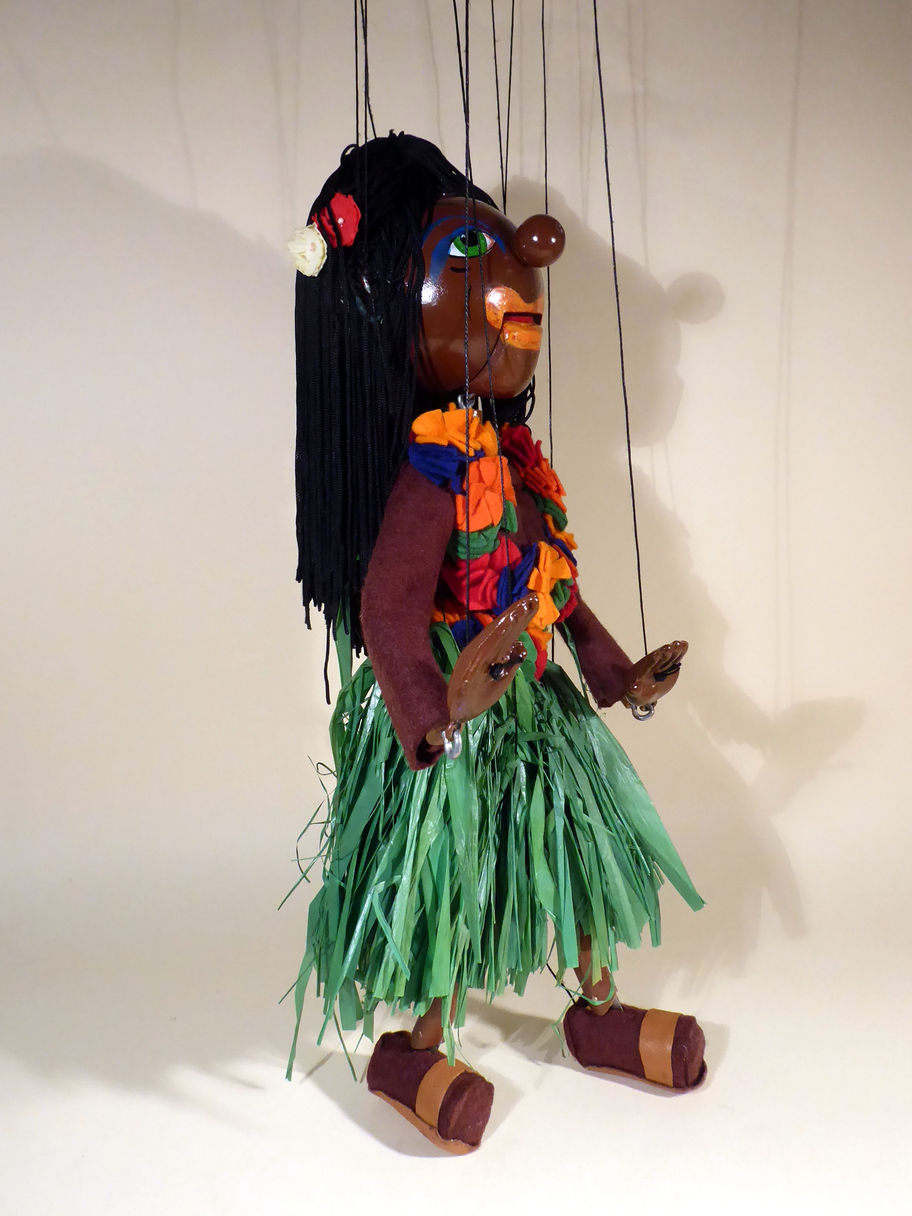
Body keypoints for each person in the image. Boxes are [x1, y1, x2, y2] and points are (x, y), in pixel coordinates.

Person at [288, 133, 705, 1153]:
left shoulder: (510, 457)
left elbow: (553, 586)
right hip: (454, 707)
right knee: (448, 865)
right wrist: (429, 714)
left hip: (531, 703)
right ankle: (418, 1044)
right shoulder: (435, 465)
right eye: (472, 259)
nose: (525, 274)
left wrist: (617, 672)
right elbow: (390, 609)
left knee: (576, 841)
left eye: (513, 260)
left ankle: (595, 1006)